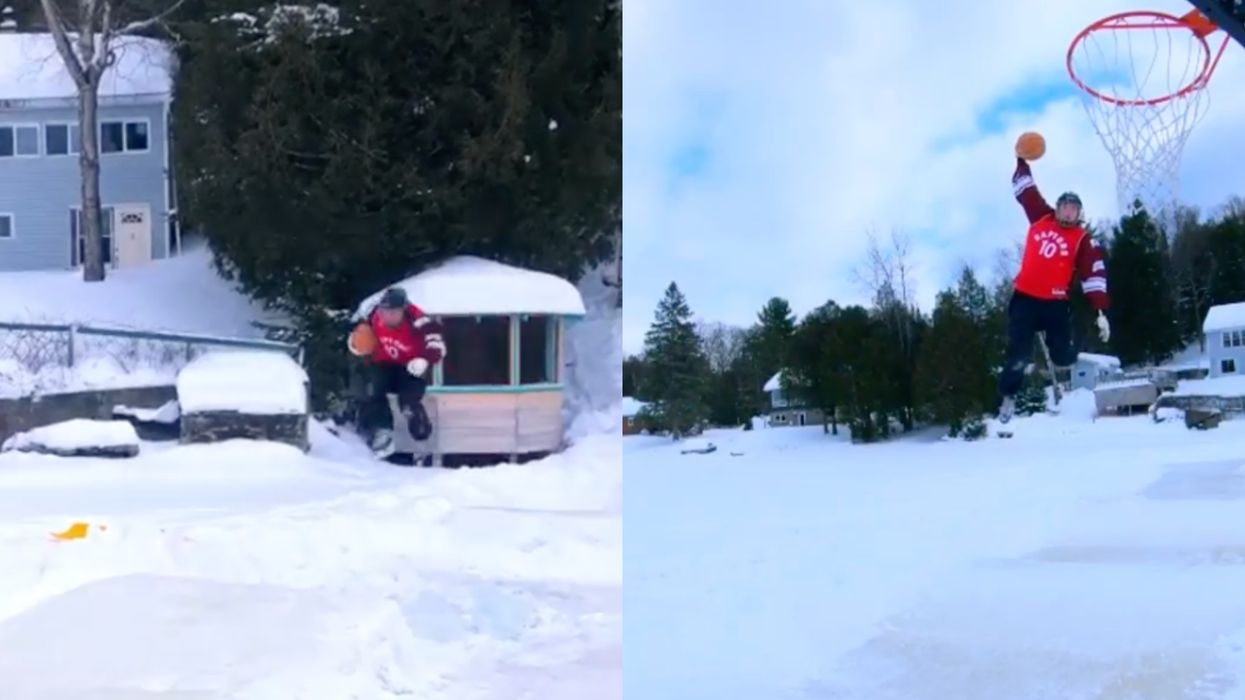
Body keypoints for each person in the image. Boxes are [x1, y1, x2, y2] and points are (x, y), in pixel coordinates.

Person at [999, 155, 1111, 423]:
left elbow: (1093, 273)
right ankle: (1007, 397)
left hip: (1055, 305)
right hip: (1025, 299)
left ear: (1079, 214)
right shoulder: (1041, 217)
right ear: (1058, 208)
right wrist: (1021, 159)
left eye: (1074, 209)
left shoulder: (1082, 240)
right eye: (1065, 207)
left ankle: (1068, 364)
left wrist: (1100, 311)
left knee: (1062, 356)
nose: (1068, 212)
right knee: (1018, 355)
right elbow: (1026, 191)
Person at [348, 286, 447, 456]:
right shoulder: (373, 316)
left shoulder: (418, 320)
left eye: (393, 312)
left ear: (404, 310)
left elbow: (438, 344)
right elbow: (357, 333)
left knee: (408, 396)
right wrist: (355, 344)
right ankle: (383, 431)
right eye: (385, 311)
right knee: (373, 389)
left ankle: (417, 420)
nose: (388, 316)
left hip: (410, 366)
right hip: (384, 364)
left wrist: (425, 359)